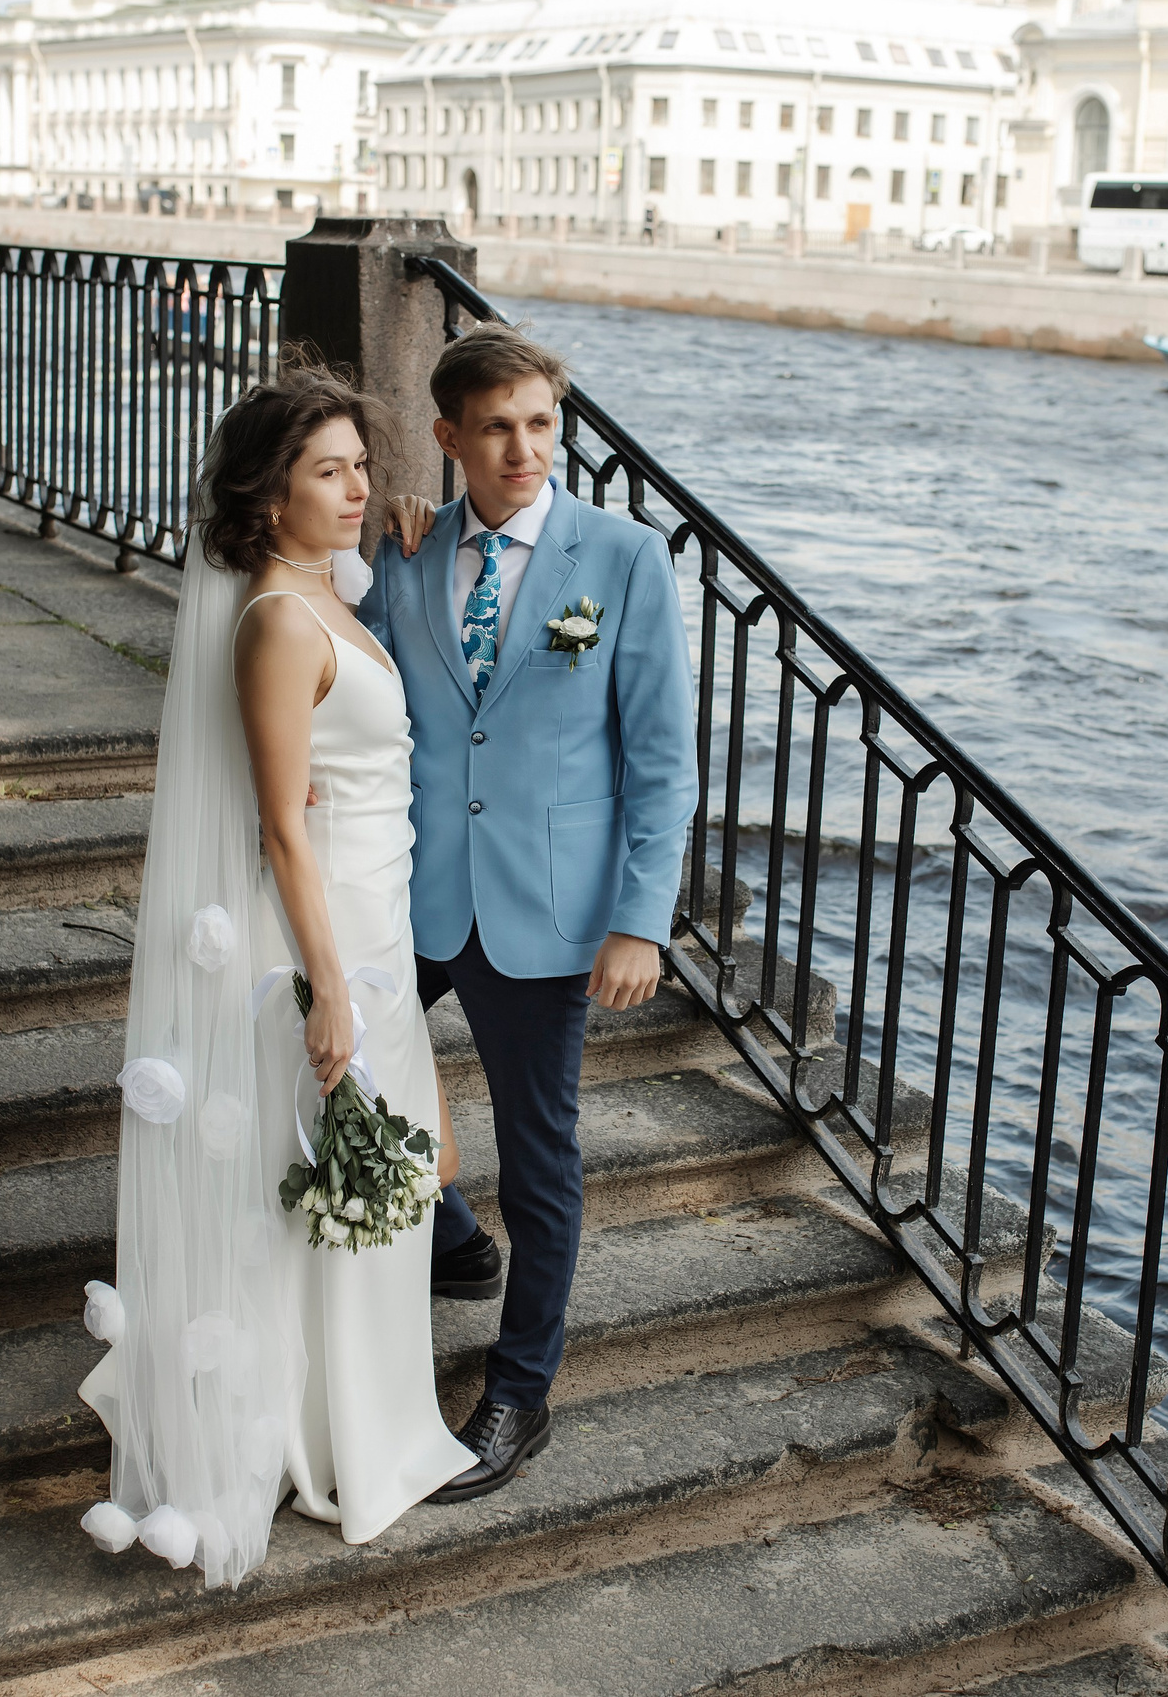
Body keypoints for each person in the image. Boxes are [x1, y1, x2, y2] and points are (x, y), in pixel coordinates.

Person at [76, 366, 470, 1584]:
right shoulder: (276, 622)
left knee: (397, 1173)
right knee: (344, 1182)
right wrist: (330, 986)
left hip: (375, 921)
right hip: (329, 932)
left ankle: (365, 1419)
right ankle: (331, 1438)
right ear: (268, 490)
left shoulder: (328, 595)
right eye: (329, 471)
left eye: (361, 465)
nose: (358, 488)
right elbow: (283, 827)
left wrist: (396, 539)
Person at [358, 322, 698, 1504]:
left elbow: (660, 761)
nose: (523, 449)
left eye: (541, 425)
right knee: (332, 1062)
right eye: (496, 428)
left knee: (541, 1157)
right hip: (410, 893)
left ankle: (520, 1390)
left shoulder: (622, 559)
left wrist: (639, 921)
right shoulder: (403, 556)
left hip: (549, 913)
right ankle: (449, 1236)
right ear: (449, 437)